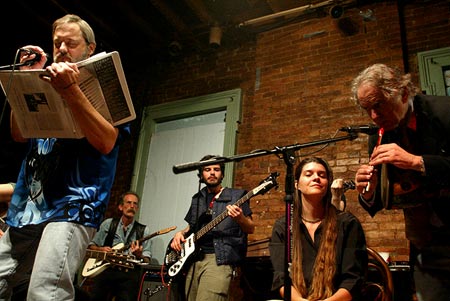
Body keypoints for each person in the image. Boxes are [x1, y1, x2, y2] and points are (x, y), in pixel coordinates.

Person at [0, 14, 130, 300]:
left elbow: (107, 142)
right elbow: (19, 134)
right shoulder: (44, 77)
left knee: (45, 291)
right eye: (57, 43)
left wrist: (70, 89)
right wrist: (25, 78)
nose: (61, 49)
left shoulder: (107, 85)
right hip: (28, 205)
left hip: (74, 205)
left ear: (89, 48)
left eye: (70, 43)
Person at [352, 63, 450, 301]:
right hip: (427, 247)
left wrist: (417, 162)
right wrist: (368, 191)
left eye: (378, 105)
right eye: (367, 109)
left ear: (403, 93)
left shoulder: (444, 111)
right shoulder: (379, 134)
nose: (374, 116)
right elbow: (378, 202)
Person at [270, 157, 367, 301]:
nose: (316, 178)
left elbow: (353, 280)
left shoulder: (347, 223)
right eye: (309, 174)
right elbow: (281, 279)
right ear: (297, 184)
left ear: (327, 184)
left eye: (322, 175)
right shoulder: (283, 226)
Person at [169, 154, 255, 301]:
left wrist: (239, 218)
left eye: (216, 169)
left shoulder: (237, 196)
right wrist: (180, 234)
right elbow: (191, 226)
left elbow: (250, 228)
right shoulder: (198, 198)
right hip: (194, 259)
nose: (212, 173)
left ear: (222, 174)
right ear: (201, 175)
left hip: (219, 259)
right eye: (207, 169)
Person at [87, 191, 151, 301]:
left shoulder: (144, 230)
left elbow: (147, 260)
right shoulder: (108, 224)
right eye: (129, 202)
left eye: (135, 204)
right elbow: (91, 246)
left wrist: (139, 255)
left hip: (128, 275)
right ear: (121, 207)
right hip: (106, 270)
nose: (132, 206)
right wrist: (101, 249)